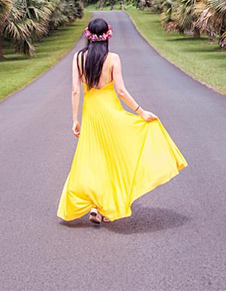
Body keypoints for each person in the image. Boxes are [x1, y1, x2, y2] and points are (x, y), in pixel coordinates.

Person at [57, 16, 187, 225]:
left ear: (88, 34)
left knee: (92, 158)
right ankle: (106, 206)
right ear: (107, 35)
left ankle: (94, 205)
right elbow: (121, 91)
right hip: (111, 112)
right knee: (113, 158)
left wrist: (74, 119)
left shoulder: (78, 58)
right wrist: (140, 111)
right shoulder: (113, 58)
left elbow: (75, 90)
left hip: (91, 112)